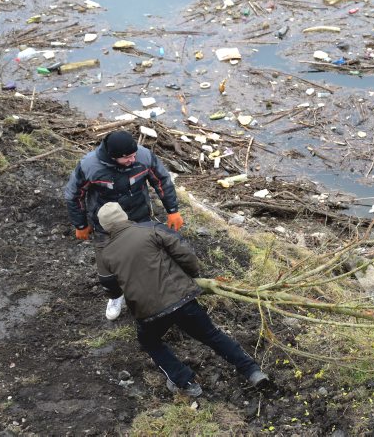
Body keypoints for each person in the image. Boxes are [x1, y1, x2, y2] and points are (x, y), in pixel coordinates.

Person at [95, 201, 268, 397]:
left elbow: (109, 286)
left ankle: (186, 382)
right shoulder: (151, 229)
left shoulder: (105, 252)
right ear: (124, 215)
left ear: (105, 227)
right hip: (182, 298)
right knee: (211, 335)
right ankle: (252, 371)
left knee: (149, 341)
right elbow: (184, 252)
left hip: (148, 312)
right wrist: (192, 275)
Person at [64, 129, 184, 320]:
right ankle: (115, 296)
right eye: (126, 157)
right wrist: (80, 225)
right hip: (106, 223)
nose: (132, 159)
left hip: (138, 216)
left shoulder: (144, 157)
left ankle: (152, 291)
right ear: (112, 156)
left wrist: (172, 210)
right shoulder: (90, 166)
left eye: (133, 154)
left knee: (147, 257)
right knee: (106, 269)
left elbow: (162, 181)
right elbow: (74, 195)